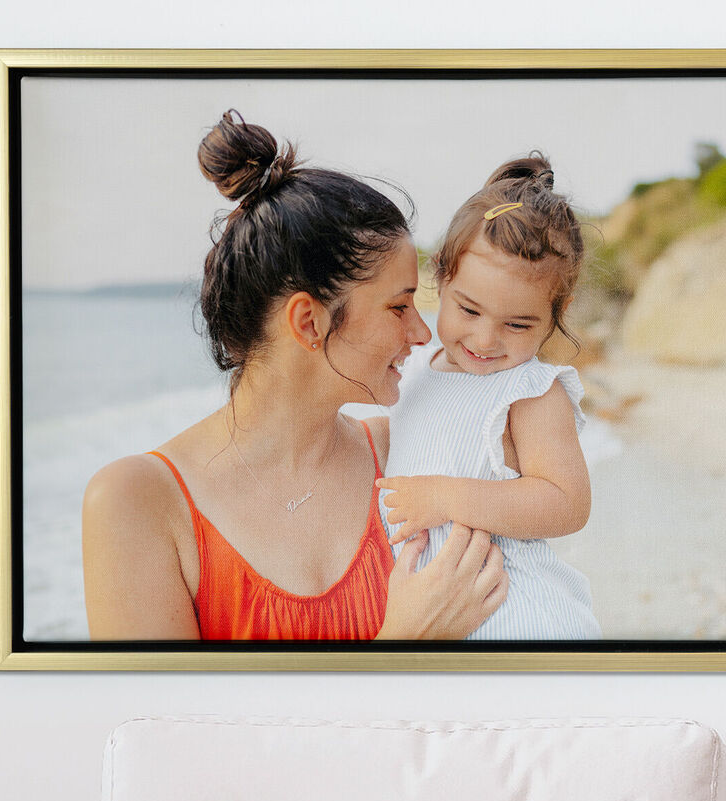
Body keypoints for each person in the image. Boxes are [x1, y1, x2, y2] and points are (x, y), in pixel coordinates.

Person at [83, 111, 506, 641]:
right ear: (310, 322)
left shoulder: (409, 455)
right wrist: (403, 647)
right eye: (398, 308)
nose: (423, 334)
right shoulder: (136, 501)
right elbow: (167, 724)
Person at [376, 155, 601, 640]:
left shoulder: (530, 391)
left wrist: (442, 496)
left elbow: (566, 503)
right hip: (437, 622)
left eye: (518, 324)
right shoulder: (416, 368)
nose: (484, 340)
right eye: (469, 310)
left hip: (523, 620)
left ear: (557, 313)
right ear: (441, 279)